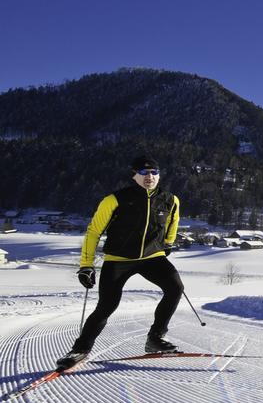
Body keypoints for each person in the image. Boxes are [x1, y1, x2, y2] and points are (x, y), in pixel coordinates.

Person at [55, 154, 184, 370]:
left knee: (175, 288)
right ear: (134, 175)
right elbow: (94, 231)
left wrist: (168, 243)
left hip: (153, 257)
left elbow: (173, 222)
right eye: (143, 172)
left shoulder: (171, 200)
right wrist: (86, 265)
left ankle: (155, 338)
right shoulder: (114, 200)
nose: (149, 176)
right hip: (118, 259)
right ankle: (80, 349)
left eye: (154, 172)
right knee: (106, 306)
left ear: (159, 175)